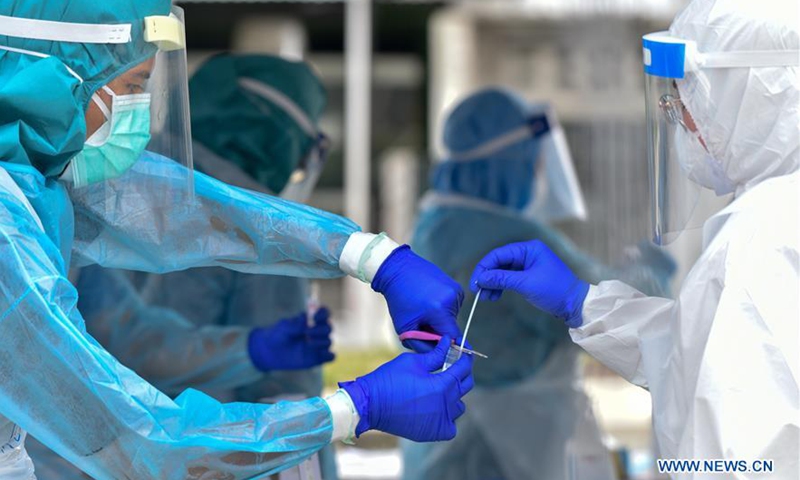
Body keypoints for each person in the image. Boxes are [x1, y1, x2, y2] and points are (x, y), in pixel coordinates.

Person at [0, 1, 473, 479]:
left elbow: (179, 208)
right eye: (131, 88)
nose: (136, 118)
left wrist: (372, 257)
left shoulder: (33, 179)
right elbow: (147, 443)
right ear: (53, 82)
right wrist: (356, 409)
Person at [470, 0, 799, 477]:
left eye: (687, 101)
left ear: (750, 97)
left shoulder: (760, 239)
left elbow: (735, 457)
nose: (681, 119)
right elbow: (705, 359)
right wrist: (587, 305)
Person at [402, 88, 674, 480]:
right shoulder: (505, 235)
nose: (538, 174)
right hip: (507, 445)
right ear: (507, 163)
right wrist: (650, 273)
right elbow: (595, 305)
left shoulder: (437, 223)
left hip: (441, 443)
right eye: (532, 163)